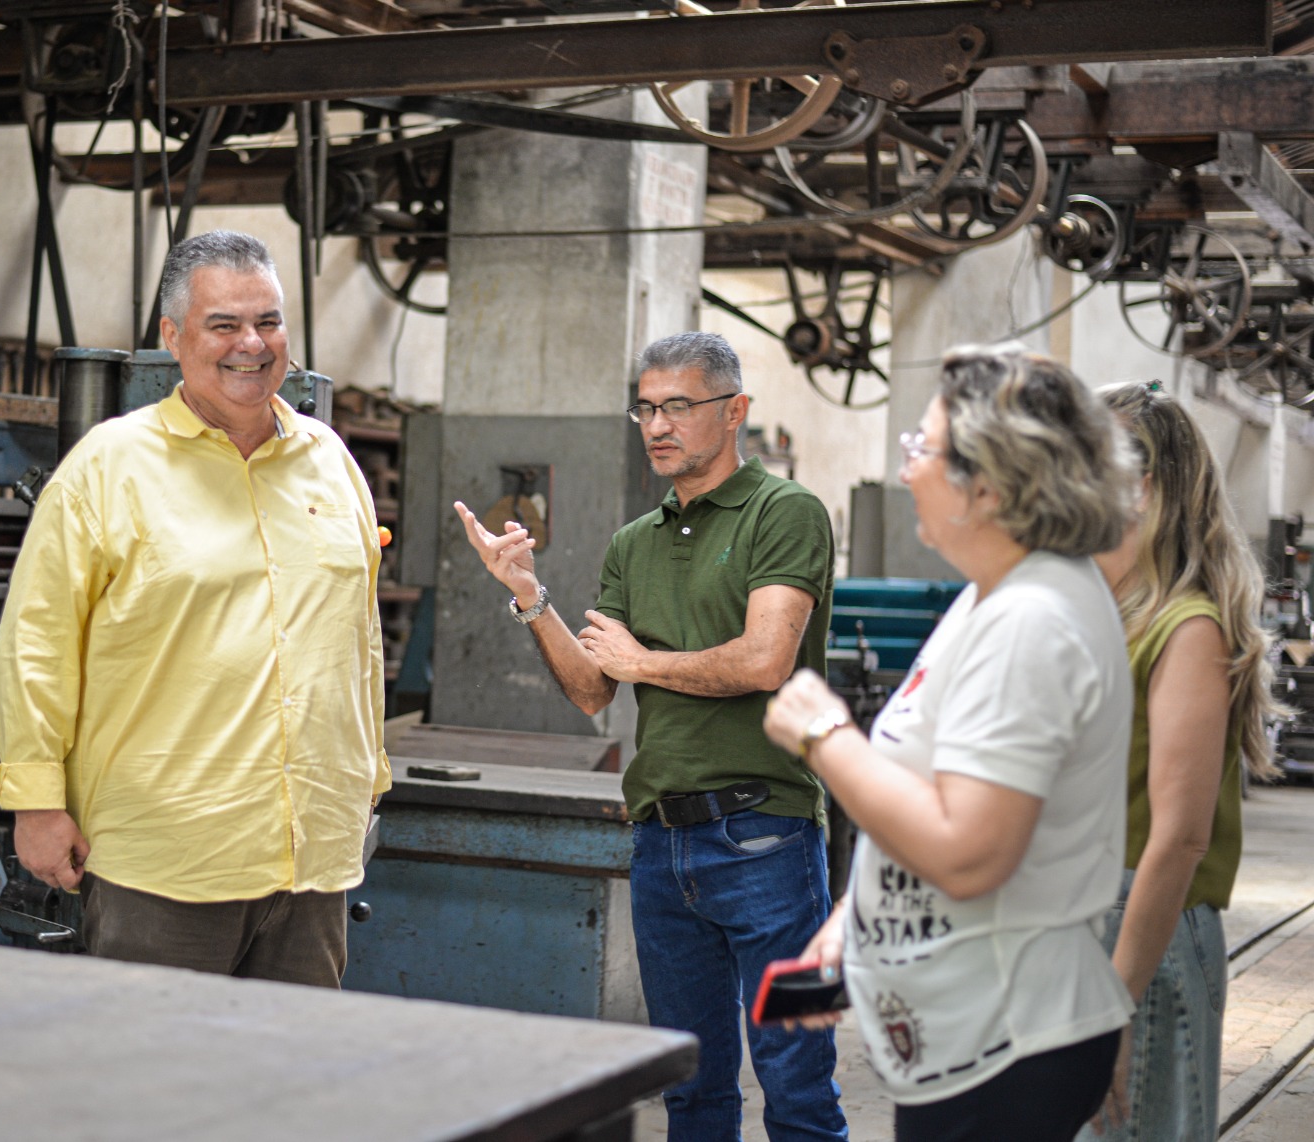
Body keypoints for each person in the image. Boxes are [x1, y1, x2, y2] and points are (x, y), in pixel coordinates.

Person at [456, 331, 848, 1141]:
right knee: (690, 1088)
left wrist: (646, 661)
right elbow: (595, 684)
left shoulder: (787, 512)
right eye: (647, 408)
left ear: (733, 411)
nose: (658, 425)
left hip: (766, 834)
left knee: (797, 1083)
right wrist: (531, 598)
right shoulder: (635, 542)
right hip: (662, 845)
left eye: (679, 406)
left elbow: (766, 659)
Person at [0, 230, 390, 985]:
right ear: (173, 337)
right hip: (168, 856)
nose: (252, 344)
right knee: (158, 1088)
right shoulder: (109, 466)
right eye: (224, 325)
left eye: (268, 322)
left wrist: (369, 777)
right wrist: (36, 802)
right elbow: (37, 642)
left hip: (313, 857)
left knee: (290, 1085)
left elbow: (357, 637)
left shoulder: (331, 462)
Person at [764, 344, 1138, 1142]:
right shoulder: (996, 597)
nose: (905, 472)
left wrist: (824, 734)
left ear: (990, 486)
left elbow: (970, 852)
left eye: (922, 449)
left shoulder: (1031, 622)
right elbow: (931, 790)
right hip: (966, 1029)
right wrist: (854, 927)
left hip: (1005, 1043)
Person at [1078, 382, 1280, 1141]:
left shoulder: (1186, 628)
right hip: (1084, 923)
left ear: (1143, 484)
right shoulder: (1106, 611)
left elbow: (1180, 839)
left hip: (1141, 933)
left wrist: (1111, 1003)